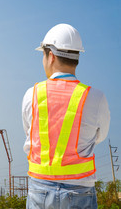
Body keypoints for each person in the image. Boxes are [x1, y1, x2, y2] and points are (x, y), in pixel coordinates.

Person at [22, 24, 110, 209]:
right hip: (80, 191)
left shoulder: (32, 94)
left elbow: (30, 134)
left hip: (40, 190)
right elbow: (99, 137)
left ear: (51, 56)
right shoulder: (96, 97)